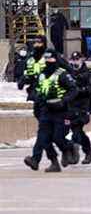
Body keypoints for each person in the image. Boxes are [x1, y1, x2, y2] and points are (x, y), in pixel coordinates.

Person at [23, 49, 77, 172]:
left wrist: (63, 100)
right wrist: (36, 96)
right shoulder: (42, 74)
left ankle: (69, 147)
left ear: (56, 59)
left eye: (51, 59)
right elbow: (35, 89)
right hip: (46, 110)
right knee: (43, 138)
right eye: (46, 59)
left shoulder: (62, 74)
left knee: (58, 137)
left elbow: (73, 90)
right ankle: (49, 161)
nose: (49, 61)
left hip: (61, 111)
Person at [19, 35, 62, 166]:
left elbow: (65, 70)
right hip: (39, 98)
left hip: (56, 102)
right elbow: (28, 74)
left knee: (48, 133)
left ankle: (68, 148)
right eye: (35, 42)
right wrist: (22, 80)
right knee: (44, 132)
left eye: (39, 42)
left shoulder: (51, 56)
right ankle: (45, 159)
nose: (37, 44)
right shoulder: (31, 59)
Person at [67, 51, 91, 164]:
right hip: (70, 106)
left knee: (77, 129)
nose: (75, 63)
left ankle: (74, 152)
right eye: (73, 60)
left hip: (83, 106)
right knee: (77, 131)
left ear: (82, 60)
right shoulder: (68, 73)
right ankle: (89, 152)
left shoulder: (89, 73)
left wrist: (80, 90)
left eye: (77, 60)